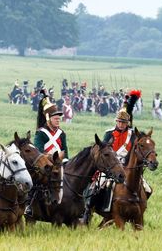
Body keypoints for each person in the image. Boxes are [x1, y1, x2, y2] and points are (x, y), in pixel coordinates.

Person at [81, 90, 152, 224]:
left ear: (128, 123)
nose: (121, 124)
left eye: (123, 122)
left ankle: (139, 209)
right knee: (97, 187)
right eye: (119, 122)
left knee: (147, 188)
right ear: (116, 121)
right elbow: (103, 149)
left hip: (127, 166)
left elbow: (135, 151)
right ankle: (88, 211)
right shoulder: (109, 133)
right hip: (110, 166)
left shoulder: (133, 135)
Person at [33, 95, 69, 160]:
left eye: (59, 119)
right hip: (46, 164)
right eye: (55, 119)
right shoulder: (41, 133)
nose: (58, 120)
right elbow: (38, 151)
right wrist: (52, 158)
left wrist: (65, 160)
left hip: (60, 164)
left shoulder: (61, 133)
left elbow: (65, 152)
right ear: (49, 119)